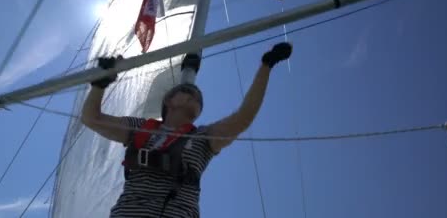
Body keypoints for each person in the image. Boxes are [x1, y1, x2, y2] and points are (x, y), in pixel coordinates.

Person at [81, 42, 293, 217]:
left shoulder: (203, 138)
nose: (194, 94)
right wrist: (100, 84)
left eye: (199, 98)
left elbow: (243, 118)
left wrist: (266, 66)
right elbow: (92, 119)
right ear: (168, 101)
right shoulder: (141, 128)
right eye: (186, 90)